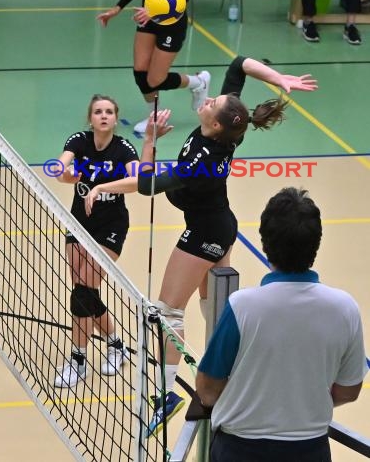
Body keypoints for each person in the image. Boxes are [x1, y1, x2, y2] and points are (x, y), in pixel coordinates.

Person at [134, 56, 318, 438]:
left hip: (205, 231)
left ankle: (167, 393)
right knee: (214, 308)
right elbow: (239, 64)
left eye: (210, 105)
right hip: (218, 225)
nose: (206, 101)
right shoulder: (229, 123)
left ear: (214, 125)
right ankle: (229, 377)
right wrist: (277, 77)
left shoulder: (202, 163)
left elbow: (147, 186)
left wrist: (149, 142)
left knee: (168, 310)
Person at [196, 187, 368, 462]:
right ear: (316, 242)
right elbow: (349, 390)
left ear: (265, 242)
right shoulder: (344, 308)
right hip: (309, 450)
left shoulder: (243, 306)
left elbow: (207, 390)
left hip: (239, 449)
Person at [53, 94, 141, 388]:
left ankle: (78, 360)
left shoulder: (124, 149)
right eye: (98, 112)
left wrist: (100, 186)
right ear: (90, 118)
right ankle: (117, 345)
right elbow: (63, 168)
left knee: (83, 291)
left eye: (109, 112)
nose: (103, 116)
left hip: (110, 228)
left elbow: (137, 181)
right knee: (83, 292)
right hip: (78, 224)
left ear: (116, 119)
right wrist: (61, 171)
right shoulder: (79, 140)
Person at [97, 0, 210, 134]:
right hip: (148, 17)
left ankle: (198, 83)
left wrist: (155, 11)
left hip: (171, 23)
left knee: (155, 78)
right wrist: (116, 9)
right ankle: (154, 116)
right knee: (140, 71)